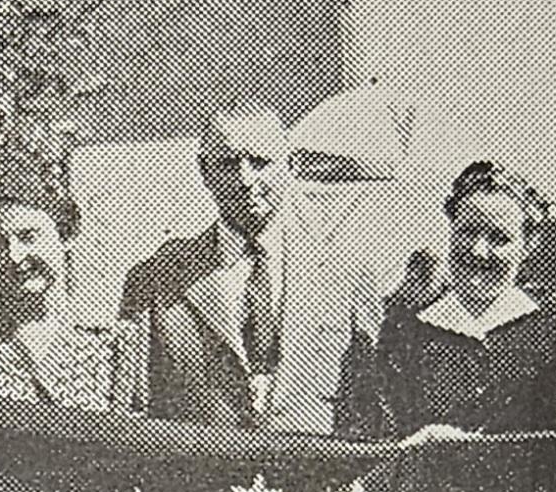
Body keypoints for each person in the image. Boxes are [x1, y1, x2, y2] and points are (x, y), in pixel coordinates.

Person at [119, 101, 383, 436]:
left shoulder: (347, 270)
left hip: (312, 465)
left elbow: (375, 404)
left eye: (260, 162)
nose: (245, 179)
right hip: (201, 466)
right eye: (228, 164)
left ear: (290, 165)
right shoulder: (157, 278)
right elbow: (129, 413)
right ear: (204, 172)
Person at [0, 157, 145, 412]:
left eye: (28, 236)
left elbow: (128, 432)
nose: (14, 256)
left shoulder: (112, 342)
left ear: (65, 235)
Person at [377, 161, 556, 436]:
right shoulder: (405, 330)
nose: (479, 251)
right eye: (467, 232)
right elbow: (378, 433)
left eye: (499, 238)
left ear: (528, 245)